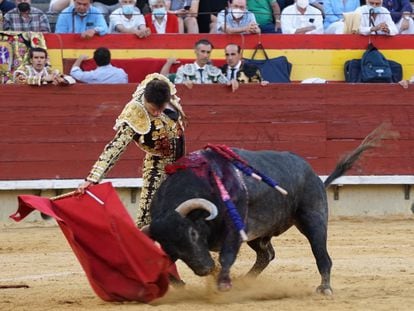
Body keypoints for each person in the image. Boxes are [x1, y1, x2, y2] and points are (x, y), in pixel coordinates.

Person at [77, 73, 186, 228]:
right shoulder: (134, 113)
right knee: (146, 216)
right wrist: (92, 179)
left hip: (181, 161)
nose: (156, 113)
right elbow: (115, 147)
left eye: (160, 109)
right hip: (157, 163)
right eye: (152, 109)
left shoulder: (160, 87)